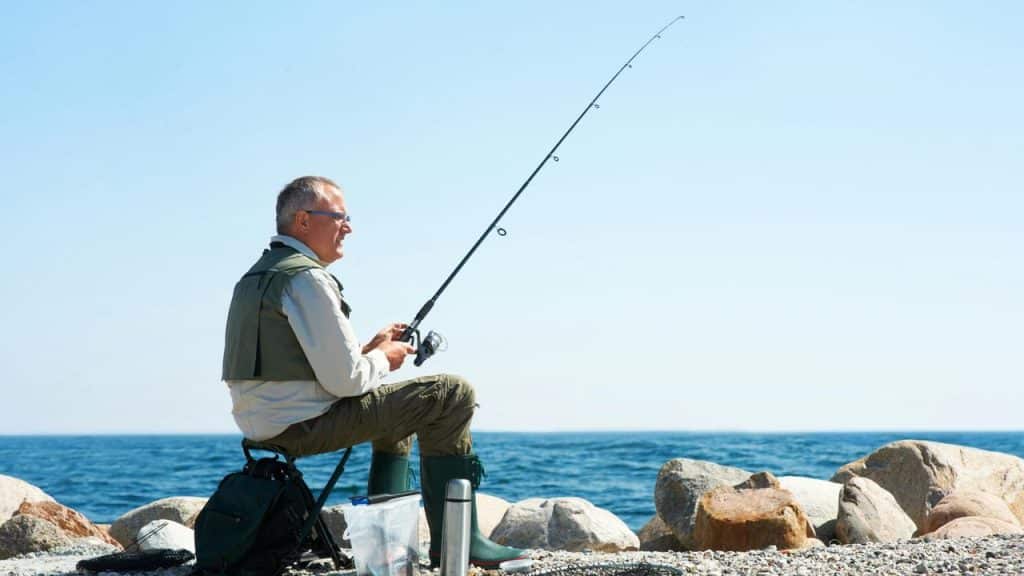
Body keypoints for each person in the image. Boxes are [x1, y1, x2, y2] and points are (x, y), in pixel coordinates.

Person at [221, 176, 525, 568]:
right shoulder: (307, 279)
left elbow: (301, 368)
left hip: (264, 424)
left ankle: (389, 543)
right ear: (303, 221)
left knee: (400, 408)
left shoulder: (257, 277)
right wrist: (385, 358)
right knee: (453, 392)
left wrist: (370, 349)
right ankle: (459, 542)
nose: (348, 227)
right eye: (339, 217)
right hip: (303, 425)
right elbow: (346, 382)